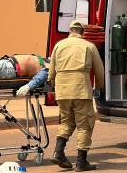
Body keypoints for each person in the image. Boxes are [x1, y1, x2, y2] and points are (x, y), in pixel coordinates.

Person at [47, 20, 104, 172]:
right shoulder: (89, 46)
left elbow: (51, 71)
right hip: (81, 91)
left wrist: (54, 87)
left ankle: (58, 153)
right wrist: (98, 88)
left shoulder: (58, 45)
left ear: (70, 31)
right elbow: (99, 71)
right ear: (83, 33)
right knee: (85, 125)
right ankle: (81, 162)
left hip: (63, 91)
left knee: (66, 122)